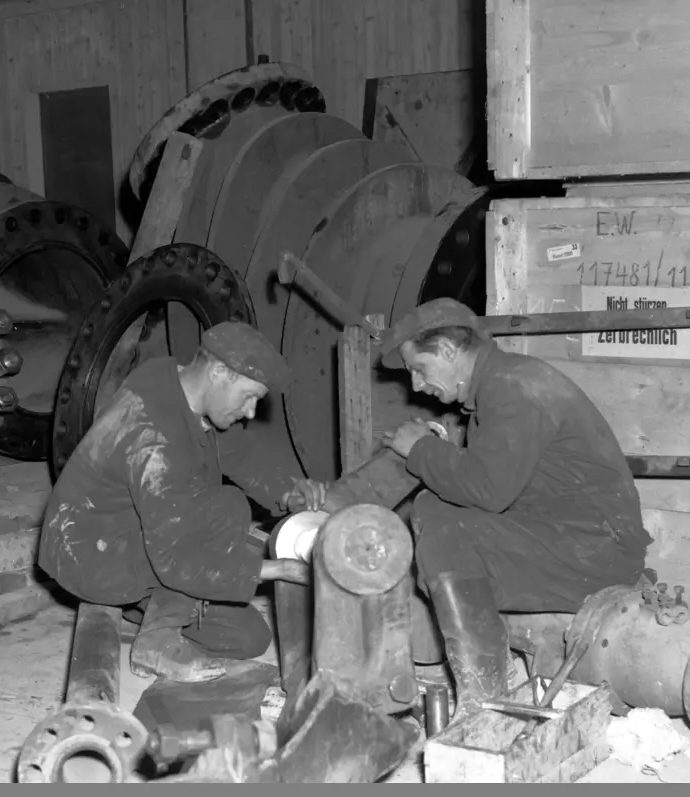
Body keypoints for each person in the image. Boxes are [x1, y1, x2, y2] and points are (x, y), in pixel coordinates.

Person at [377, 298, 652, 717]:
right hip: (578, 538)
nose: (416, 386)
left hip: (596, 551)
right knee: (441, 515)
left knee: (441, 520)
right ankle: (491, 666)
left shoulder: (511, 389)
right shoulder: (506, 383)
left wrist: (422, 450)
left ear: (449, 351)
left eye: (420, 369)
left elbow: (488, 490)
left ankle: (483, 699)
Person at [38, 321, 327, 683]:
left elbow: (234, 449)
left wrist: (286, 489)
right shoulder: (154, 440)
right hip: (89, 553)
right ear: (219, 372)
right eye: (249, 396)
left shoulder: (174, 384)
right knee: (227, 508)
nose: (251, 412)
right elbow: (177, 558)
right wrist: (276, 570)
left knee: (248, 637)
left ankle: (143, 606)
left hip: (127, 535)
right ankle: (155, 644)